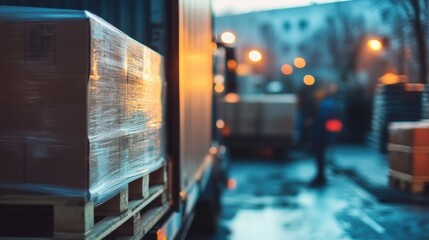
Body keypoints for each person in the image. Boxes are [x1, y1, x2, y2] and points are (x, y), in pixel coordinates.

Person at [309, 82, 340, 186]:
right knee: (321, 156)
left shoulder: (327, 104)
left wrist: (313, 122)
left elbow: (322, 119)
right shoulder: (328, 103)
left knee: (320, 156)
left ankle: (320, 177)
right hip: (325, 134)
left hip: (322, 134)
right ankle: (320, 176)